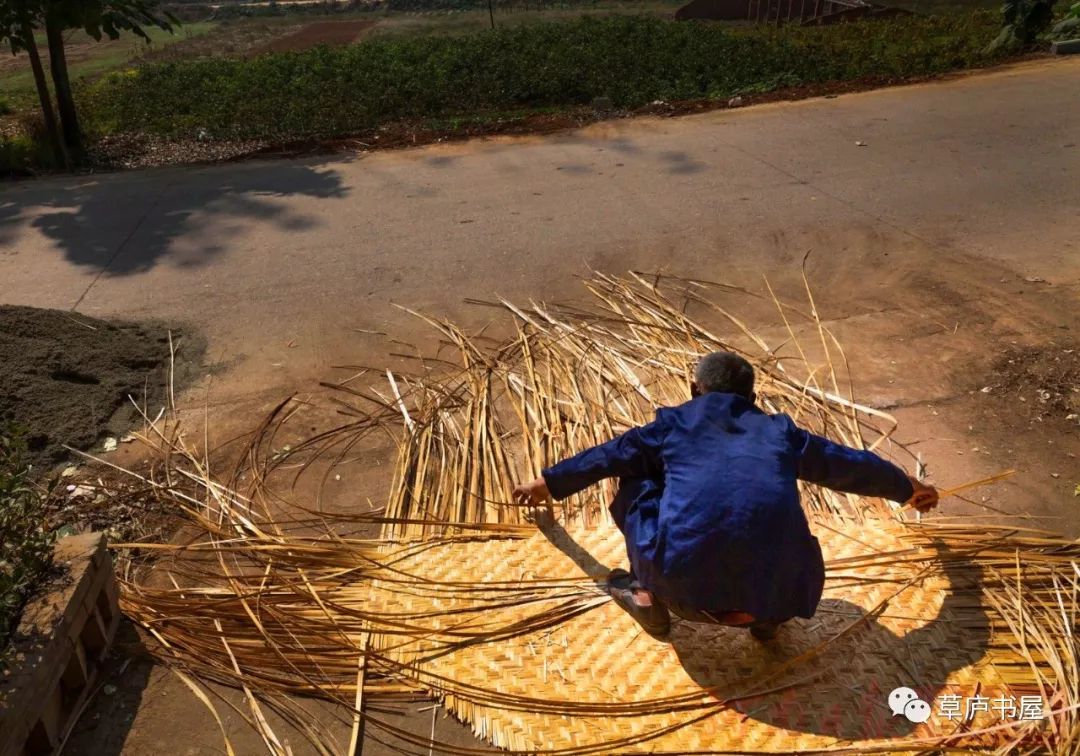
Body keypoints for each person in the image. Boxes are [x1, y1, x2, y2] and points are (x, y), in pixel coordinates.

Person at [512, 351, 939, 640]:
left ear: (694, 389)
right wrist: (907, 488)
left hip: (685, 594)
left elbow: (607, 457)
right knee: (773, 518)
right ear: (752, 398)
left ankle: (645, 594)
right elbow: (849, 465)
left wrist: (545, 484)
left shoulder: (672, 424)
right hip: (782, 595)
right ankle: (767, 622)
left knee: (636, 480)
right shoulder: (779, 432)